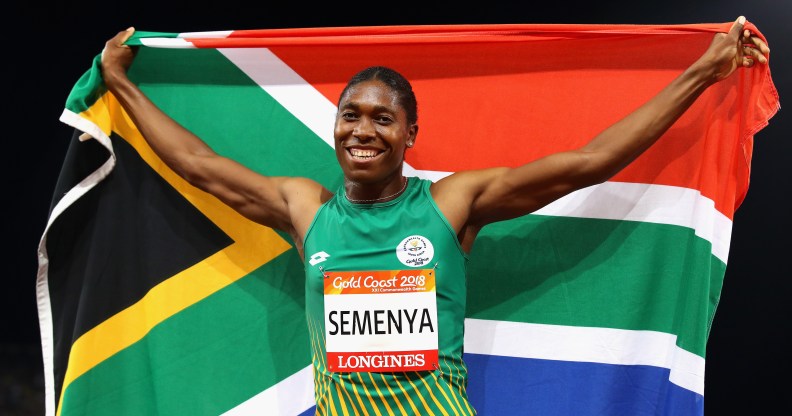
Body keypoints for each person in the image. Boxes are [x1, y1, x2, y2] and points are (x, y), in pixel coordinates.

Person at [100, 16, 768, 415]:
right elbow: (196, 162)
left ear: (409, 135)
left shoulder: (451, 204)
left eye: (382, 119)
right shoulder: (304, 209)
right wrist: (123, 83)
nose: (363, 131)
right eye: (350, 116)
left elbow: (589, 161)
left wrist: (704, 73)